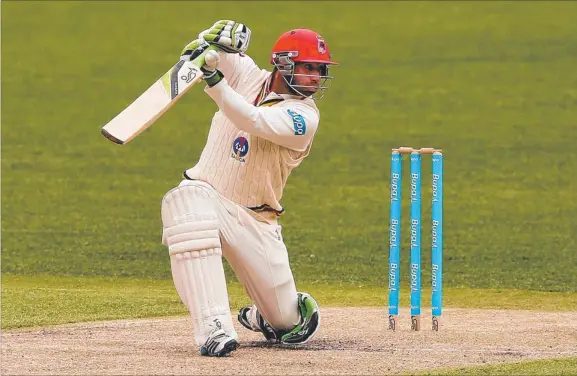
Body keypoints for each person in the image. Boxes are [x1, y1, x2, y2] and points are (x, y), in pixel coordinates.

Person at [160, 20, 337, 357]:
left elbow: (252, 120)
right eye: (309, 68)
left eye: (320, 70)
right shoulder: (247, 75)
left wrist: (212, 81)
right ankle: (214, 328)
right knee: (183, 201)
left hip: (256, 220)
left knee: (287, 323)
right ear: (283, 63)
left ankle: (269, 317)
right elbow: (211, 52)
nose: (315, 77)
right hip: (208, 195)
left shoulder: (304, 117)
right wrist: (215, 39)